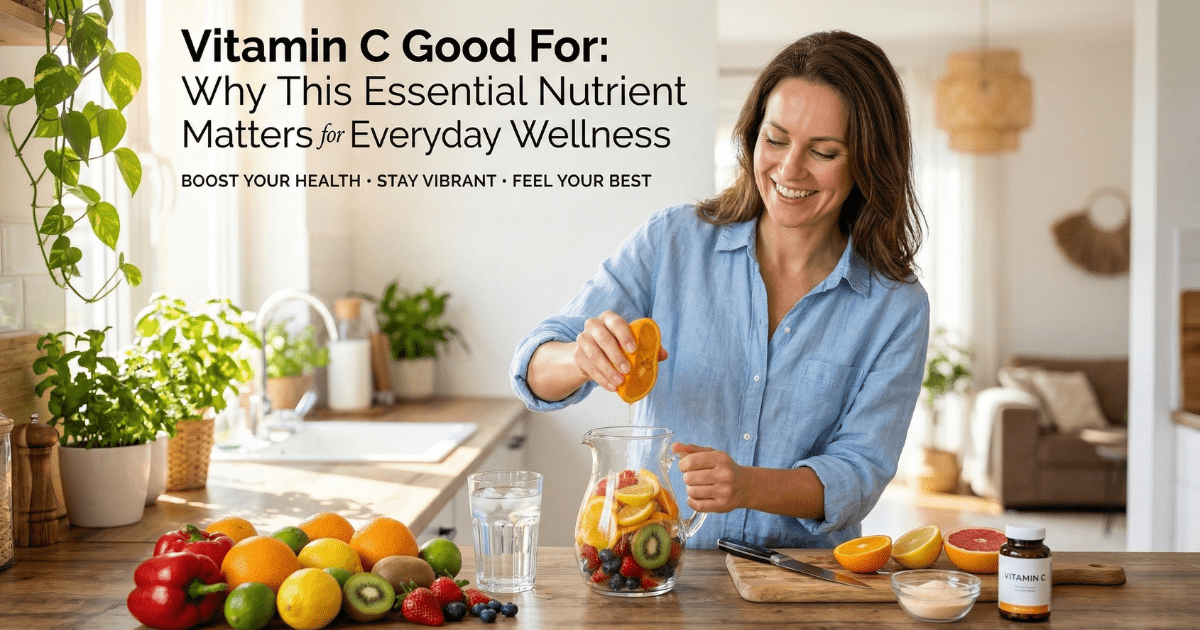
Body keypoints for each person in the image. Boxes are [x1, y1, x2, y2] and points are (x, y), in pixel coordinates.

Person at [510, 31, 929, 550]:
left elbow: (860, 471)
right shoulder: (672, 242)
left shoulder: (893, 305)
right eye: (775, 140)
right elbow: (533, 367)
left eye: (823, 152)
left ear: (869, 162)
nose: (789, 169)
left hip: (796, 585)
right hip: (654, 567)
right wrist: (580, 356)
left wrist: (750, 485)